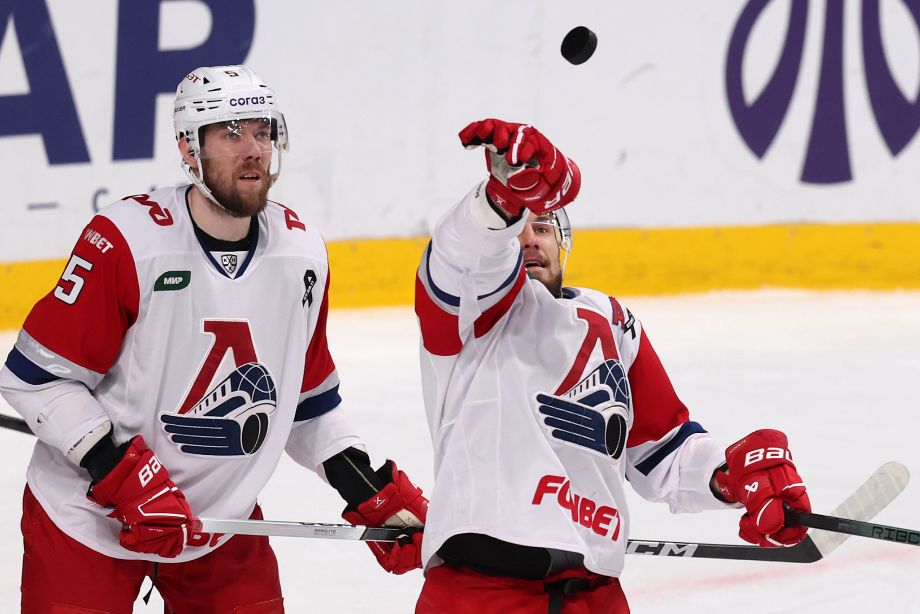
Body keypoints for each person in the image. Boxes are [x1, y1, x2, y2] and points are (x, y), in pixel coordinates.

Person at [0, 65, 427, 613]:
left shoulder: (301, 255)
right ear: (189, 148)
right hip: (85, 519)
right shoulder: (128, 243)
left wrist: (365, 485)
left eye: (262, 133)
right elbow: (38, 378)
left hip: (220, 525)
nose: (253, 150)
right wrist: (121, 476)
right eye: (231, 134)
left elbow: (306, 403)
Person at [412, 118, 812, 613]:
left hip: (596, 597)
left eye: (544, 227)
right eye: (519, 229)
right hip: (479, 594)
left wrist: (730, 476)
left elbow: (664, 448)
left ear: (563, 243)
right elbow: (460, 255)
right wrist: (500, 201)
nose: (530, 239)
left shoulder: (612, 321)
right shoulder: (472, 314)